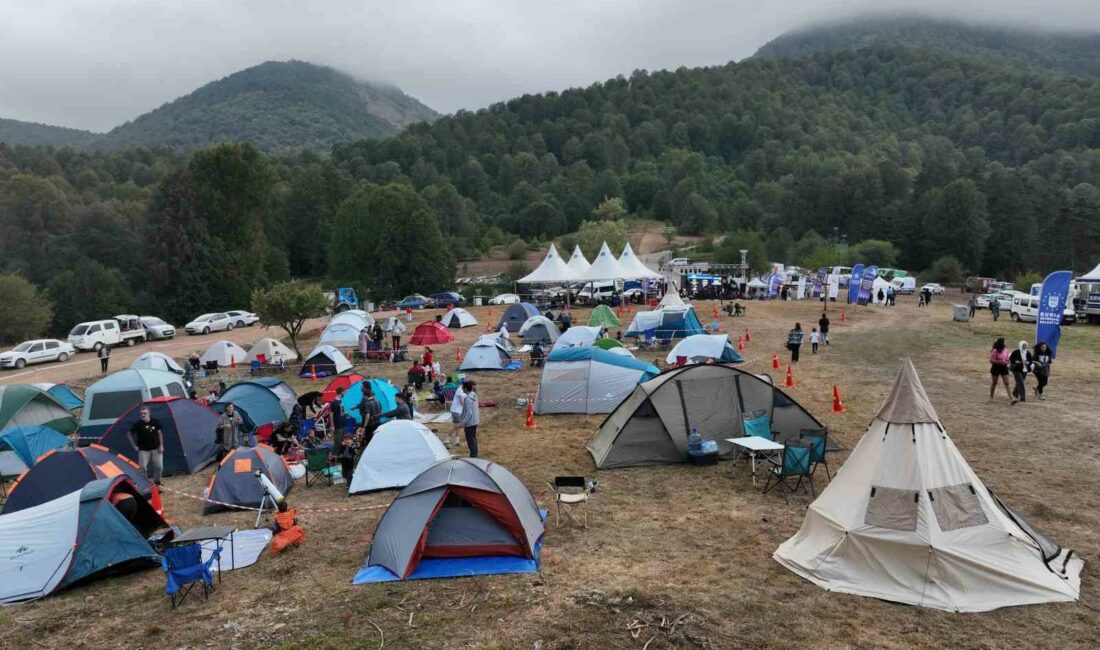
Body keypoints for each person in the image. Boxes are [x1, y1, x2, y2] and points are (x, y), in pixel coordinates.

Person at [128, 407, 164, 485]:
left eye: (145, 413)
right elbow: (129, 434)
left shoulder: (155, 422)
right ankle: (145, 483)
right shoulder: (137, 424)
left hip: (156, 448)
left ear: (149, 414)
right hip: (143, 450)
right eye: (141, 413)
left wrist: (161, 445)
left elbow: (159, 433)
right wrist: (134, 445)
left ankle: (157, 482)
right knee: (143, 467)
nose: (143, 415)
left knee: (159, 467)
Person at [459, 380, 480, 458]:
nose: (462, 389)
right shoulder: (474, 395)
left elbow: (469, 413)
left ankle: (473, 455)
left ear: (465, 388)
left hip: (470, 423)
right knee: (473, 438)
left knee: (470, 440)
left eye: (463, 388)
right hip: (475, 421)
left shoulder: (468, 399)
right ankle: (475, 453)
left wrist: (463, 423)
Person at [1008, 340, 1033, 405]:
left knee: (1020, 382)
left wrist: (1028, 362)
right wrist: (1016, 361)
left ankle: (1015, 393)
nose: (1024, 346)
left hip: (1025, 369)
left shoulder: (1028, 352)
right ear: (1020, 345)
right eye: (1023, 345)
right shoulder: (1016, 352)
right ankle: (1023, 397)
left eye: (1025, 345)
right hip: (1016, 369)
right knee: (1021, 382)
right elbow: (1011, 359)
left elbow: (1030, 360)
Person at [449, 380, 466, 448]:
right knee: (456, 426)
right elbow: (462, 400)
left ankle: (456, 442)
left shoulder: (464, 390)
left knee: (458, 427)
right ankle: (447, 439)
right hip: (456, 410)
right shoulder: (460, 390)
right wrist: (465, 407)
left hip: (460, 411)